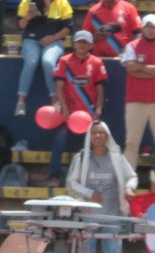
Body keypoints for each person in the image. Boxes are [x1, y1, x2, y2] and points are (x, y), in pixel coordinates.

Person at [66, 121, 136, 253]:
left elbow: (132, 176)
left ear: (107, 136)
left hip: (112, 216)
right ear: (89, 136)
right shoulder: (81, 158)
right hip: (87, 216)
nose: (98, 135)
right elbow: (71, 182)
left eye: (101, 132)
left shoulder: (116, 157)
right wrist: (89, 193)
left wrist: (129, 188)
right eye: (94, 132)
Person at [51, 30, 106, 188]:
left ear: (90, 45)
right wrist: (66, 111)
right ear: (74, 43)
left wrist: (99, 109)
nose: (82, 45)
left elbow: (101, 89)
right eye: (79, 42)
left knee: (92, 145)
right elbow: (59, 88)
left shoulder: (96, 62)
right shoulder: (64, 61)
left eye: (85, 42)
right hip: (68, 113)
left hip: (89, 114)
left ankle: (87, 179)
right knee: (58, 140)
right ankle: (53, 176)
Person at [121, 14, 155, 171]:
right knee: (131, 143)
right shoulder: (132, 45)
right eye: (148, 26)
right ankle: (128, 182)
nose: (151, 30)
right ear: (143, 28)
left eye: (154, 27)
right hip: (135, 100)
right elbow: (131, 69)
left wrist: (141, 67)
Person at [13, 0, 73, 118]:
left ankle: (55, 101)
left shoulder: (62, 3)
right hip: (31, 41)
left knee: (48, 61)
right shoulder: (26, 2)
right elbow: (19, 26)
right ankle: (21, 102)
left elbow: (68, 27)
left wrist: (53, 37)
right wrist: (27, 18)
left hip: (54, 41)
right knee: (31, 61)